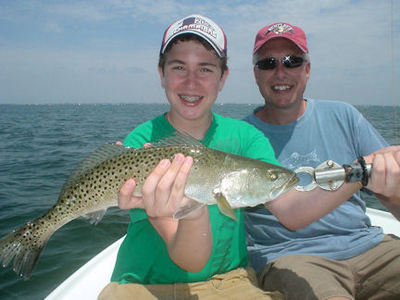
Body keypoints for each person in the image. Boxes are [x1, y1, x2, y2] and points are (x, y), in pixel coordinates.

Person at [98, 14, 284, 300]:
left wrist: (358, 173)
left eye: (206, 69)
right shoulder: (141, 143)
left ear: (223, 78)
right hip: (143, 284)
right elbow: (190, 258)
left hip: (230, 281)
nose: (191, 82)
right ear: (161, 73)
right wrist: (193, 210)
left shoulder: (248, 138)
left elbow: (291, 202)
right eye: (179, 67)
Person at [245, 22, 400, 300]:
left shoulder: (344, 116)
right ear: (256, 73)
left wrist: (392, 188)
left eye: (292, 61)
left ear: (307, 68)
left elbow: (392, 198)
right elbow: (291, 215)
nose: (280, 72)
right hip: (291, 258)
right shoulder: (241, 138)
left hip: (372, 248)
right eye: (268, 63)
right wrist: (360, 171)